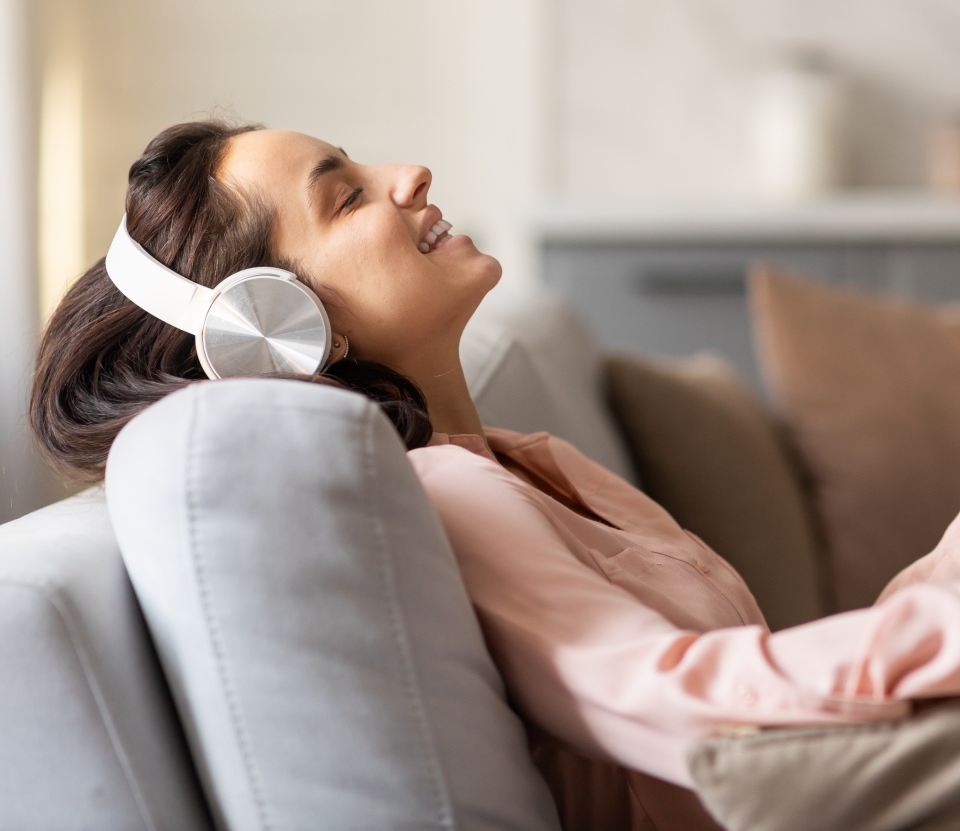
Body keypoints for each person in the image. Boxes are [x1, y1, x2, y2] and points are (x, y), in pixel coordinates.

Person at [30, 119, 960, 830]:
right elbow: (684, 700)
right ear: (281, 323)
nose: (410, 176)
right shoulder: (450, 493)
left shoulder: (527, 460)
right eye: (347, 197)